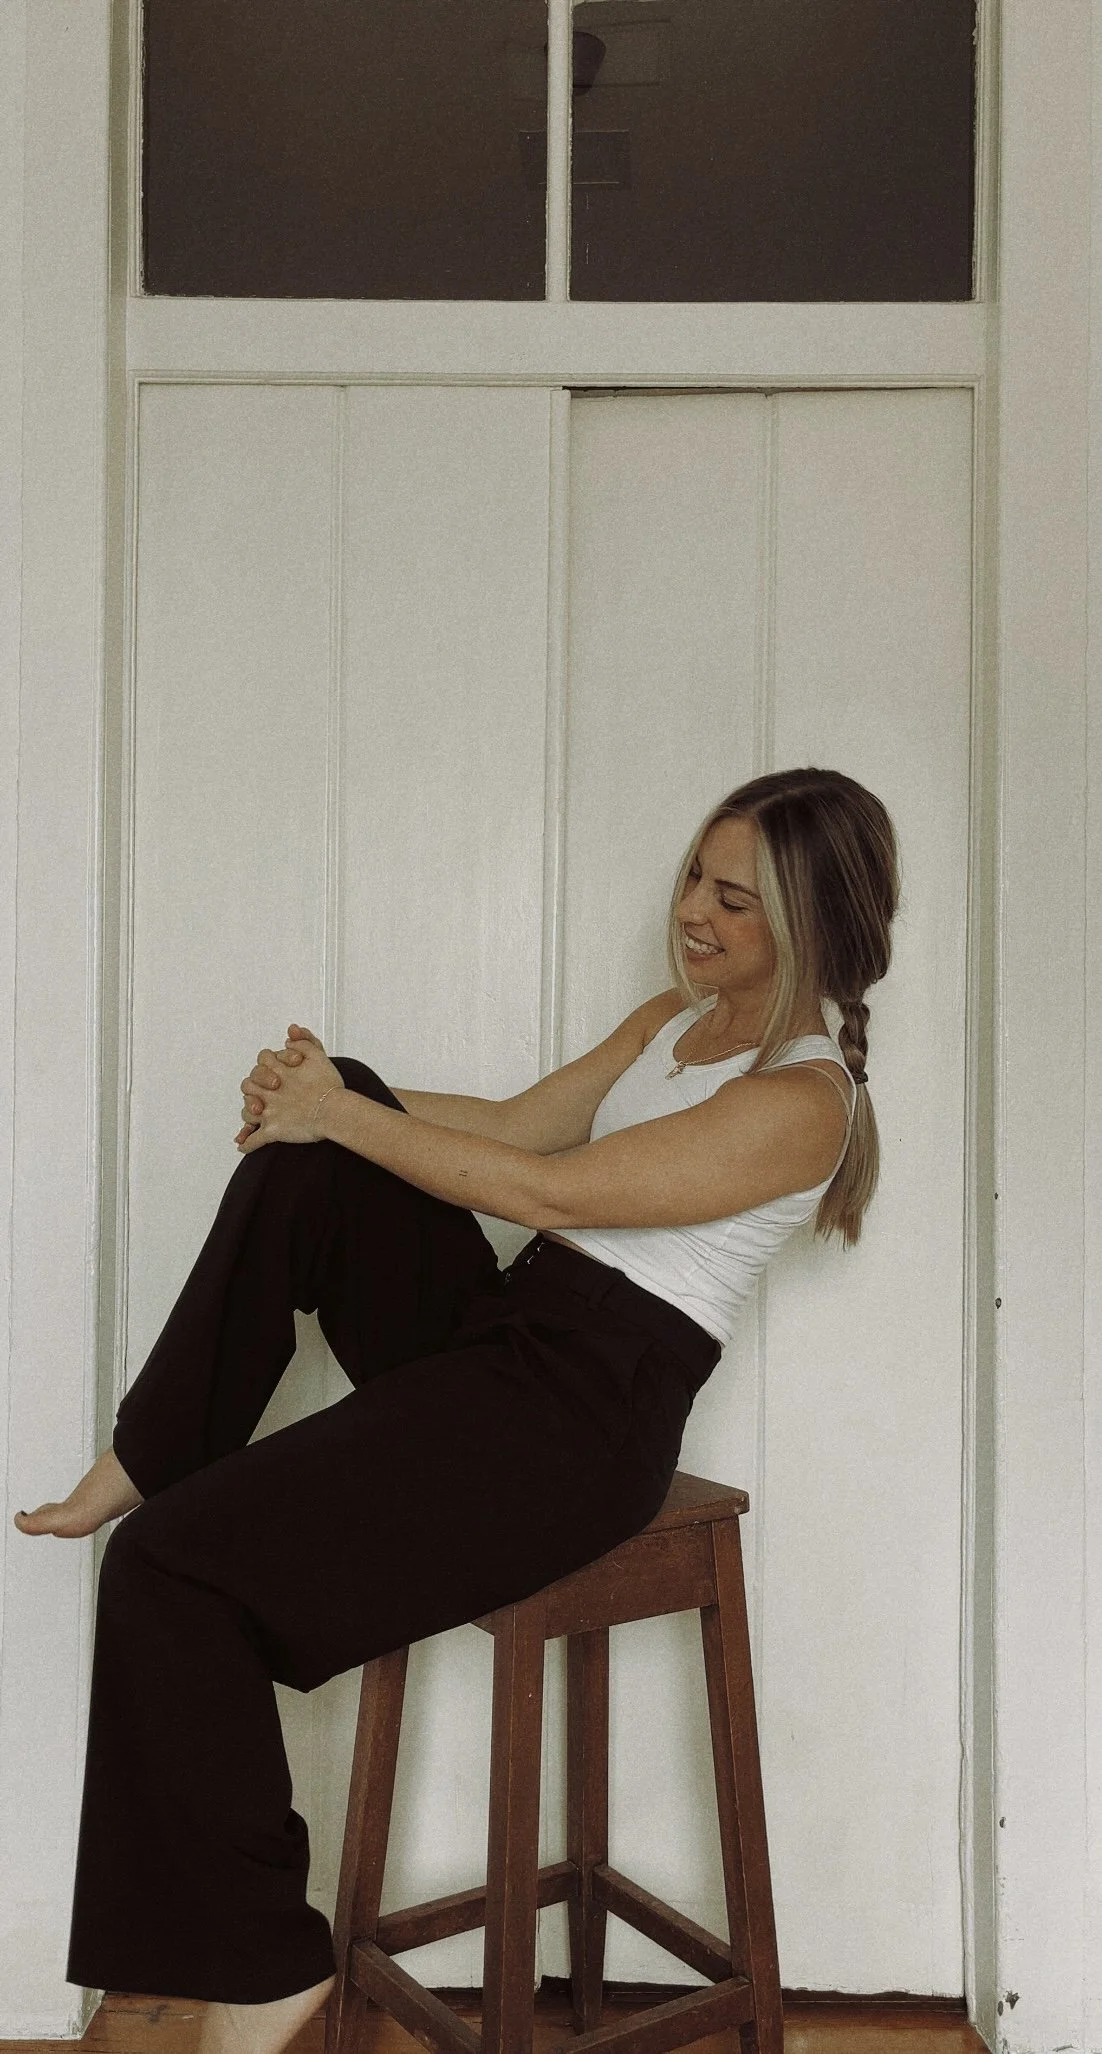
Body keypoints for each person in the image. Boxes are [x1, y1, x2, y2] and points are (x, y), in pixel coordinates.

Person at [14, 765, 898, 2054]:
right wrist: (325, 1094)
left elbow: (554, 1193)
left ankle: (262, 1966)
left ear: (810, 925)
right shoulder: (675, 1018)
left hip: (580, 1417)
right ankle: (152, 1448)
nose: (693, 914)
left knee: (168, 1569)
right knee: (330, 1137)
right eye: (692, 879)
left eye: (734, 900)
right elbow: (518, 1124)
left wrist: (339, 1116)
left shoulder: (802, 1104)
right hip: (511, 1340)